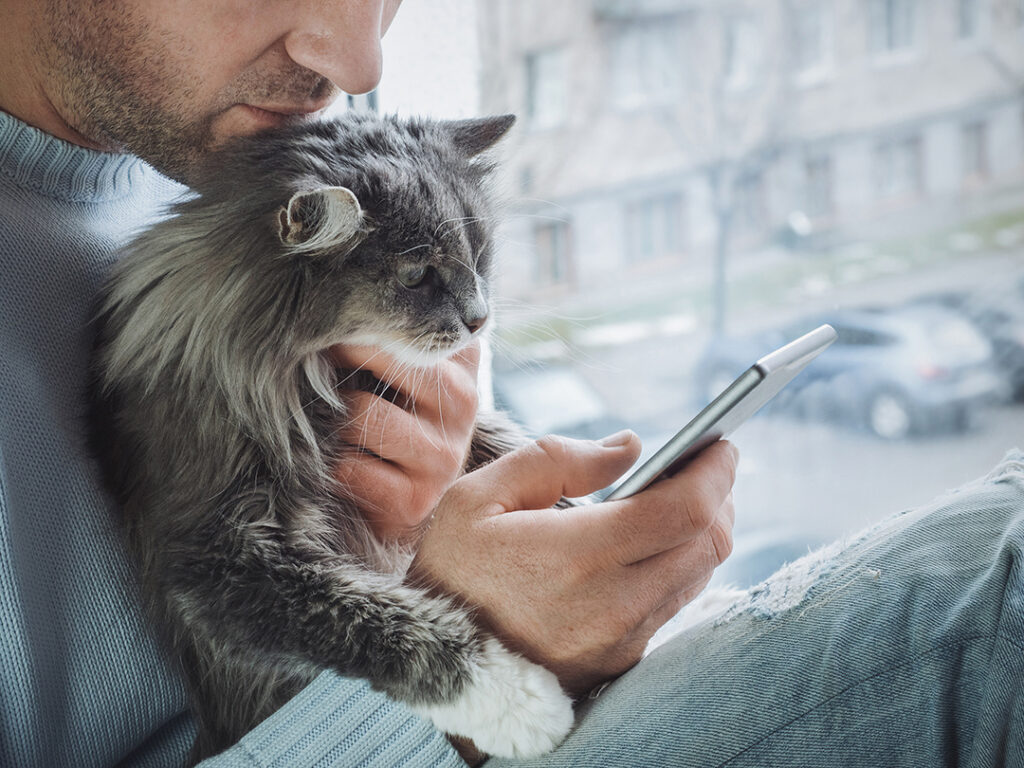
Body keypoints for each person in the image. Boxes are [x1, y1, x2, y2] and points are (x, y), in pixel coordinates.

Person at [0, 1, 1020, 766]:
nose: (356, 59)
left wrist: (438, 474)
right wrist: (454, 668)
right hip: (414, 720)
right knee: (986, 590)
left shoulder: (229, 119)